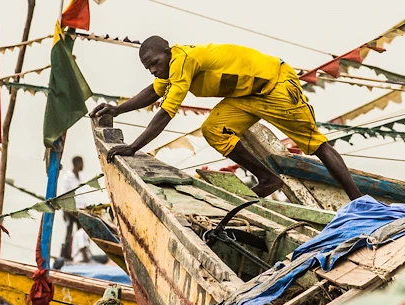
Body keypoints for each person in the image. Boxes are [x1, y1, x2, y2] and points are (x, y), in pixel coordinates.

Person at [90, 36, 362, 200]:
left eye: (154, 62)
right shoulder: (169, 70)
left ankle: (359, 201)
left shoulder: (183, 60)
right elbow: (152, 93)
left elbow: (165, 114)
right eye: (147, 66)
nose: (152, 69)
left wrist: (134, 148)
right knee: (215, 129)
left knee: (317, 145)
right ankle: (268, 179)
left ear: (168, 52)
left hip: (275, 84)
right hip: (247, 97)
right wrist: (117, 109)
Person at [59, 156, 85, 260]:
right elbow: (63, 194)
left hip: (80, 210)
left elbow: (82, 194)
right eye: (81, 163)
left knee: (80, 233)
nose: (83, 165)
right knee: (69, 232)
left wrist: (85, 206)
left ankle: (79, 255)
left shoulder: (81, 176)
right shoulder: (67, 177)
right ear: (77, 164)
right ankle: (65, 255)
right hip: (70, 210)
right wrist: (64, 211)